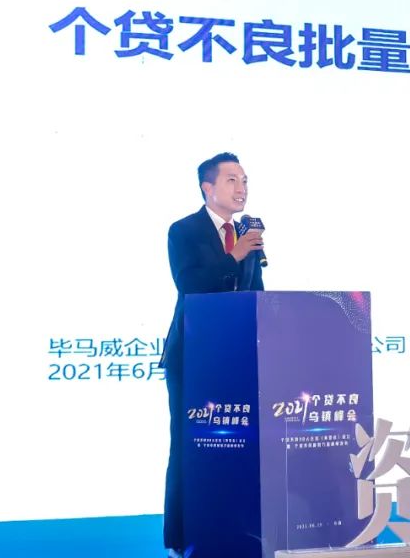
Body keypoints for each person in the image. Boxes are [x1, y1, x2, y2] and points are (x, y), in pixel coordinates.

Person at [161, 152, 265, 558]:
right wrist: (234, 256)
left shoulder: (247, 234)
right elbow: (190, 284)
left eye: (245, 180)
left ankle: (235, 529)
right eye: (231, 180)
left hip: (236, 358)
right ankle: (180, 538)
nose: (242, 188)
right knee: (188, 447)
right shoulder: (184, 230)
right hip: (193, 357)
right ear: (208, 187)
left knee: (240, 447)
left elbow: (256, 294)